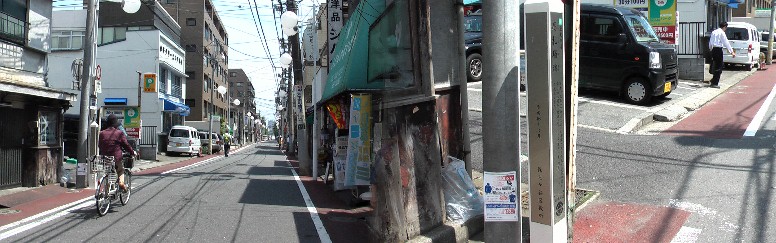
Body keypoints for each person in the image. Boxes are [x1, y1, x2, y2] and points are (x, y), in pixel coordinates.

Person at [99, 114, 136, 192]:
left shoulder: (102, 133)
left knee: (108, 172)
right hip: (116, 157)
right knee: (120, 170)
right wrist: (132, 152)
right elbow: (126, 145)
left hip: (104, 157)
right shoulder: (119, 133)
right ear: (116, 124)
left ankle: (106, 192)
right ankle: (121, 183)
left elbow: (100, 145)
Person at [709, 21, 736, 88]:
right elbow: (726, 42)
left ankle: (713, 80)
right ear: (724, 27)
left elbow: (710, 42)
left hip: (713, 49)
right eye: (726, 28)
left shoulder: (714, 32)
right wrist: (731, 52)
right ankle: (715, 83)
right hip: (718, 49)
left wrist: (710, 49)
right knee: (719, 66)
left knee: (714, 65)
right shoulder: (722, 33)